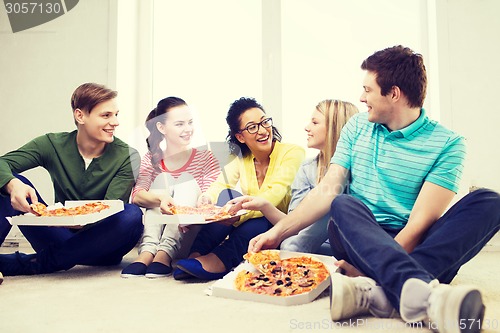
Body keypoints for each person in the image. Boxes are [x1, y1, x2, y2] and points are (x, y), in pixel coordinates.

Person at [248, 45, 500, 332]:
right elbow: (327, 190)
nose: (361, 98)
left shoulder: (449, 143)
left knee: (489, 201)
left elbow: (420, 222)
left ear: (393, 93)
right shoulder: (356, 126)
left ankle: (382, 293)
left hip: (411, 239)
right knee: (343, 204)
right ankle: (423, 291)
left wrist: (385, 266)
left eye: (367, 89)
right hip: (356, 235)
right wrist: (275, 232)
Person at [0, 83, 144, 276]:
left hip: (103, 244)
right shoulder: (51, 144)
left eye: (116, 114)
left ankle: (36, 263)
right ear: (80, 116)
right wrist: (12, 184)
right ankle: (53, 259)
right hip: (58, 236)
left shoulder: (128, 156)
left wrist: (77, 220)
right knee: (9, 181)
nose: (116, 122)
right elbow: (3, 164)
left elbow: (111, 210)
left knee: (132, 214)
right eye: (106, 115)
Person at [173, 97, 305, 280]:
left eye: (264, 122)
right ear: (240, 137)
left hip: (278, 222)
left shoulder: (293, 152)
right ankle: (196, 254)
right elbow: (221, 184)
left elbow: (274, 194)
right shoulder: (241, 158)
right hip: (250, 216)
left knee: (258, 221)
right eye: (252, 126)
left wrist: (238, 214)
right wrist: (207, 199)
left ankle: (219, 261)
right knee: (227, 195)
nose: (263, 130)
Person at [229, 99, 358, 255]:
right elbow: (294, 224)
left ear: (334, 128)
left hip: (349, 245)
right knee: (285, 242)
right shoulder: (306, 169)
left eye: (315, 123)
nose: (307, 128)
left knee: (334, 202)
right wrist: (264, 205)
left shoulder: (358, 169)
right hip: (317, 247)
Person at [121, 97, 220, 278]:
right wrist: (161, 199)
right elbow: (137, 196)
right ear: (161, 128)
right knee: (162, 180)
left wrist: (202, 200)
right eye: (180, 124)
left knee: (187, 180)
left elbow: (209, 196)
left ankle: (165, 253)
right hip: (154, 233)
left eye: (190, 122)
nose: (188, 129)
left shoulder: (206, 157)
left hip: (187, 234)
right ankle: (147, 252)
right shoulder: (151, 159)